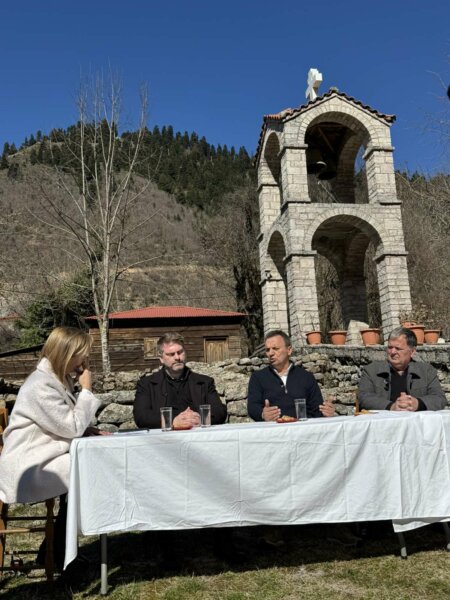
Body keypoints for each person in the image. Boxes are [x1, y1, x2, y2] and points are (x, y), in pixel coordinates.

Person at [0, 326, 104, 570]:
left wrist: (84, 429)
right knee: (88, 469)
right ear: (67, 354)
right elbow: (72, 427)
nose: (84, 361)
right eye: (82, 355)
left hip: (45, 455)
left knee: (86, 469)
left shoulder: (56, 380)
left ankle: (57, 549)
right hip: (29, 464)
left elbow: (64, 424)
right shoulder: (41, 385)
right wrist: (86, 390)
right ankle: (60, 552)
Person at [134, 332, 227, 429]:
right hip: (163, 441)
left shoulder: (205, 382)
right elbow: (141, 417)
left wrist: (201, 418)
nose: (177, 357)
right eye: (171, 354)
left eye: (180, 352)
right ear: (161, 359)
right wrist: (172, 421)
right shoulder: (147, 384)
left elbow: (220, 412)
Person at [247, 330, 335, 421]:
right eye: (267, 350)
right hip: (273, 432)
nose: (271, 353)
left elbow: (316, 409)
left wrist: (326, 412)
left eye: (275, 348)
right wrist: (262, 414)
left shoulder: (306, 377)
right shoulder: (258, 377)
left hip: (302, 431)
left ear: (289, 350)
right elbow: (252, 407)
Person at [358, 327, 447, 411]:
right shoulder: (371, 371)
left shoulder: (427, 371)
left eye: (398, 348)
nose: (392, 352)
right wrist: (391, 406)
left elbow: (439, 398)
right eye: (390, 347)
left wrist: (417, 403)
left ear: (412, 352)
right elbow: (364, 397)